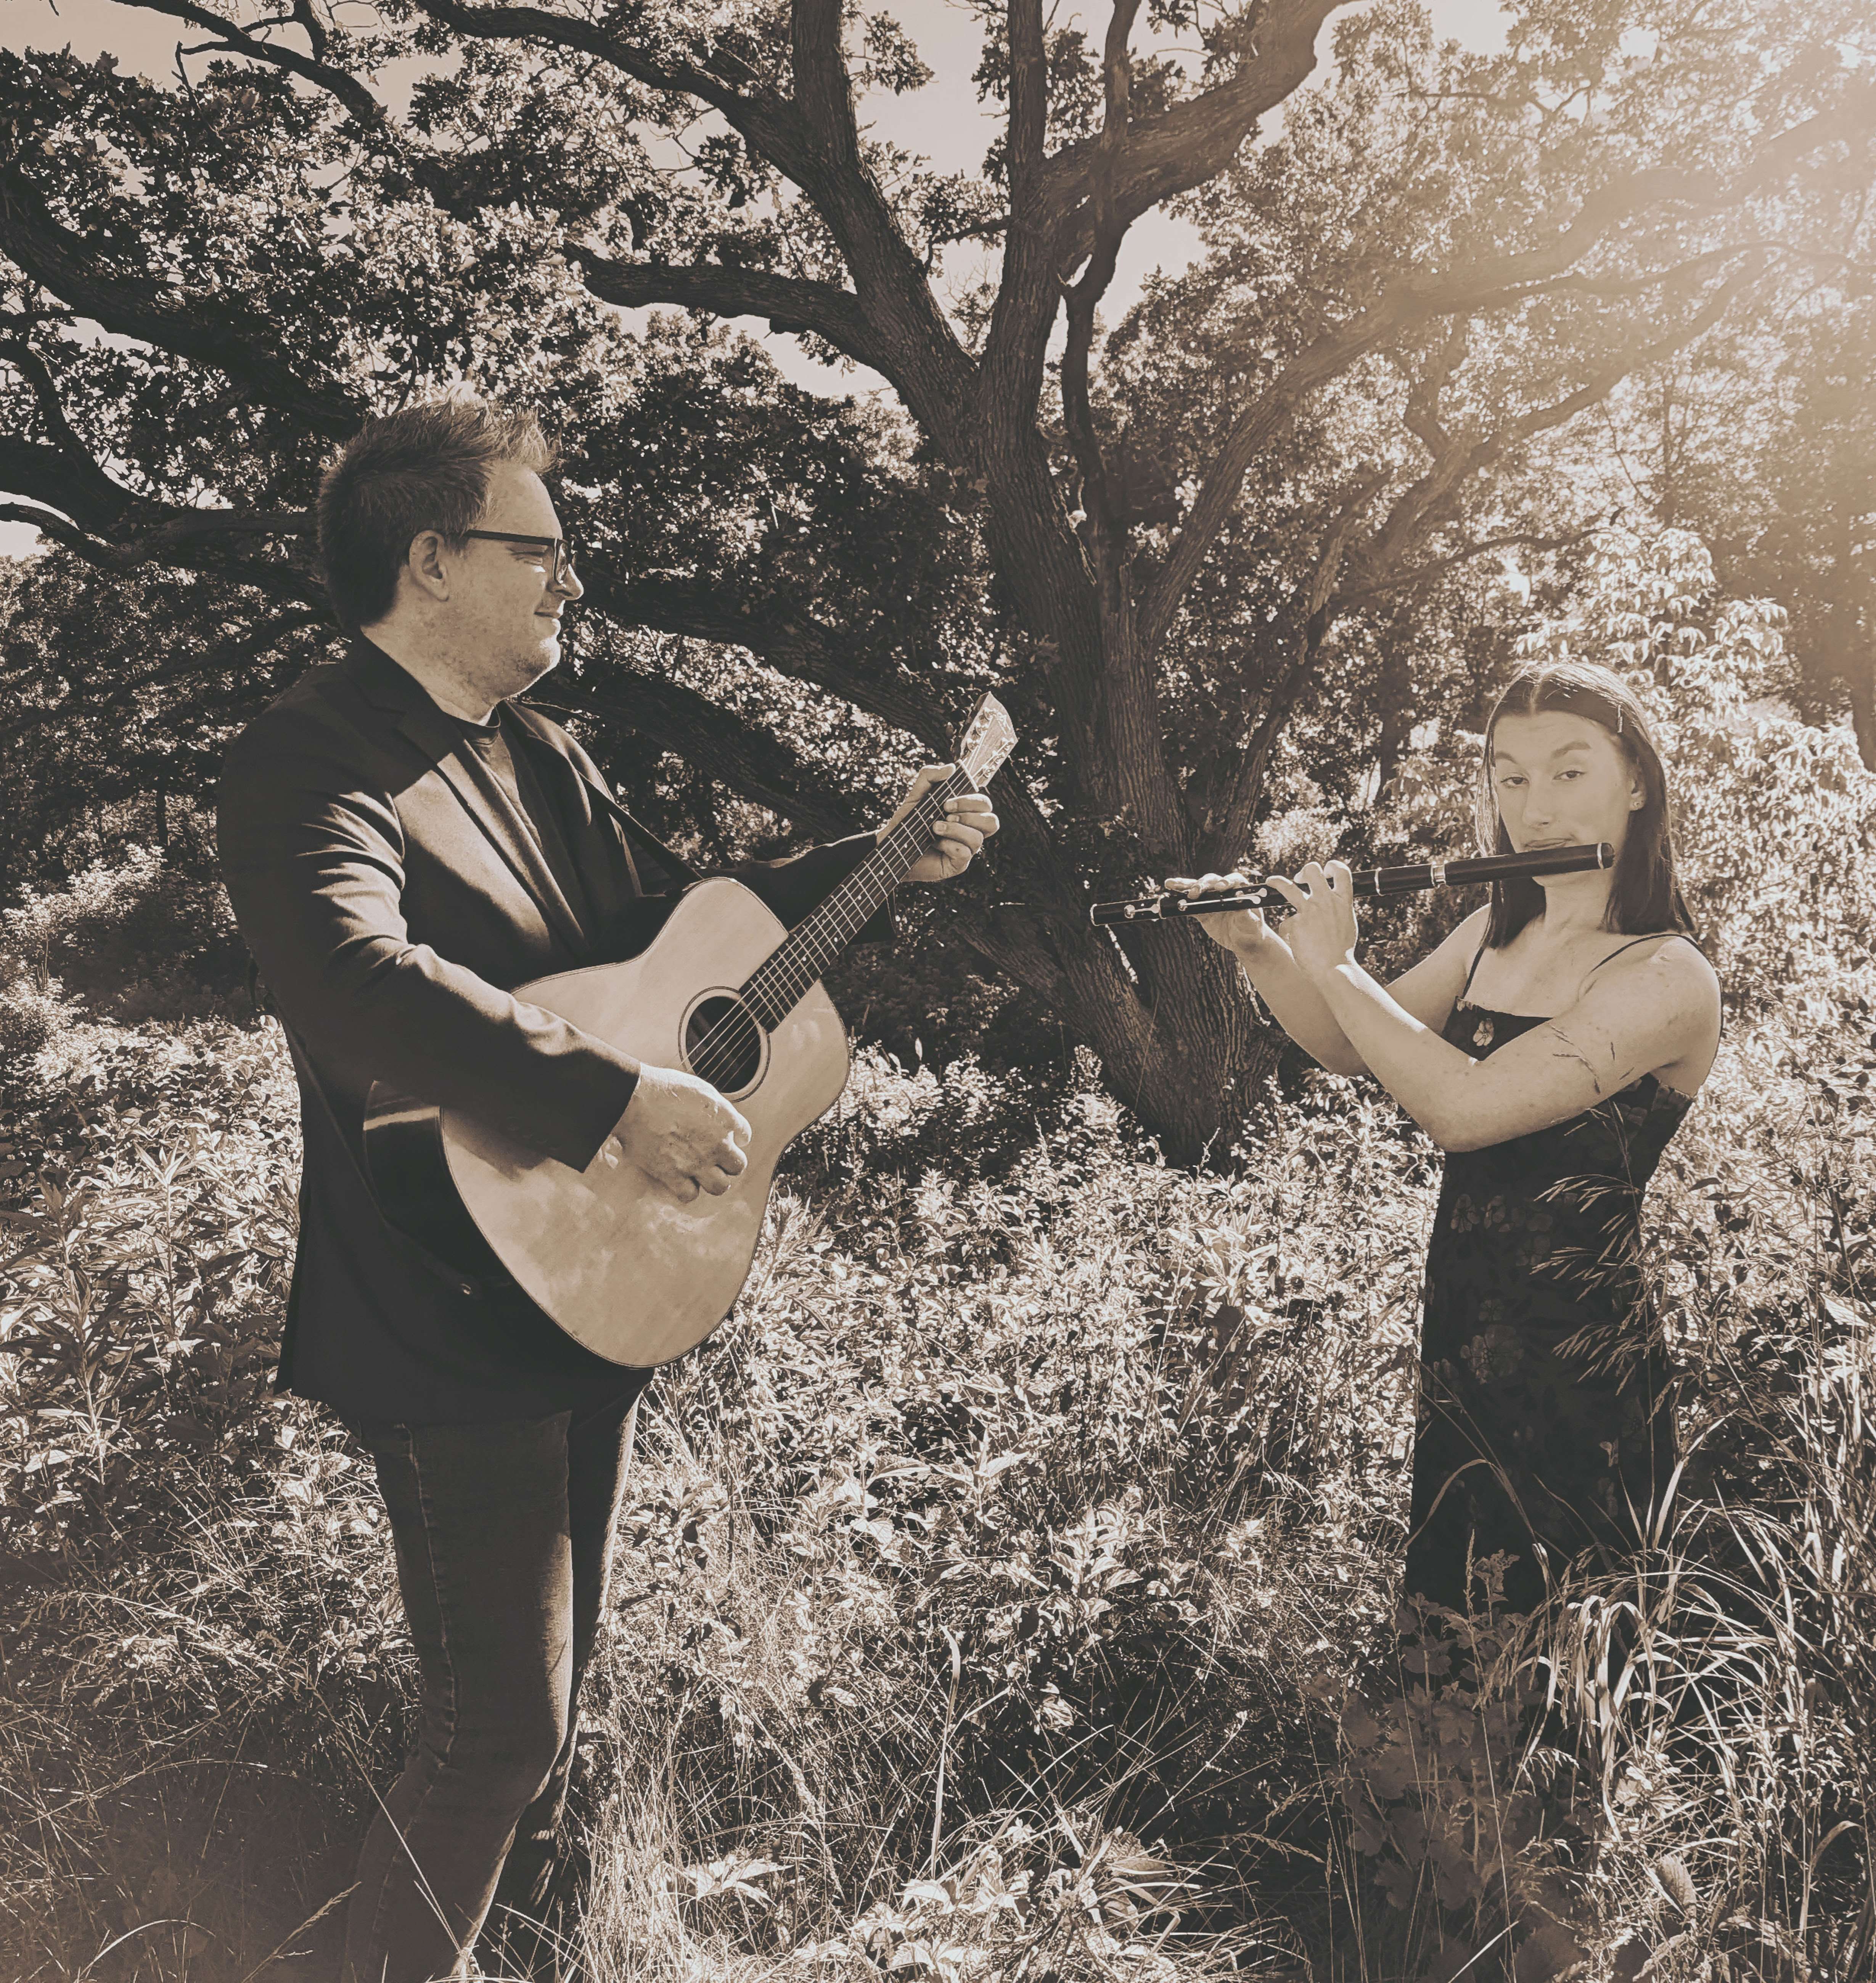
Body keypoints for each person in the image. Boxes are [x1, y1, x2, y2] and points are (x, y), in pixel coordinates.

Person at [216, 396, 997, 1983]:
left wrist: (878, 856)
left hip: (576, 1278)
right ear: (433, 560)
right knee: (494, 1730)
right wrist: (606, 1094)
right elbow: (349, 978)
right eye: (544, 551)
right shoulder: (312, 752)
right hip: (443, 1289)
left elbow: (682, 938)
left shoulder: (541, 752)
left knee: (531, 1730)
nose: (575, 581)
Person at [1168, 659, 1719, 1617]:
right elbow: (1349, 1043)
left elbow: (1461, 1108)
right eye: (1510, 778)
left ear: (1635, 782)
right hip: (1464, 1324)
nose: (1535, 808)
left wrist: (1336, 960)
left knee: (1572, 1637)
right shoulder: (1487, 937)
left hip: (1578, 1353)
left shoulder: (1666, 975)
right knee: (1457, 1616)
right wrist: (1259, 949)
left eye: (1567, 771)